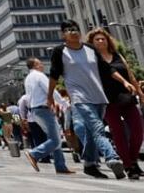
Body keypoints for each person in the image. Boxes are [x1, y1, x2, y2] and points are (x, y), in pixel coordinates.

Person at [47, 19, 125, 179]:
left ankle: (89, 164)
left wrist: (124, 81)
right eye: (68, 29)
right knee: (97, 128)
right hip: (79, 97)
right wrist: (49, 97)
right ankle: (112, 158)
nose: (73, 31)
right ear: (63, 35)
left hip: (98, 96)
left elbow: (106, 68)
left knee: (90, 132)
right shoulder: (59, 51)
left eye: (75, 28)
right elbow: (54, 75)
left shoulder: (90, 49)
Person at [87, 28, 144, 179]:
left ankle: (132, 161)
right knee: (118, 133)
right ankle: (128, 165)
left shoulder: (118, 55)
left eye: (103, 39)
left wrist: (139, 92)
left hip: (126, 98)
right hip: (107, 101)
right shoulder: (92, 60)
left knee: (138, 130)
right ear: (92, 43)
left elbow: (130, 74)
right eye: (97, 39)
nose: (100, 41)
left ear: (108, 41)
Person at [20, 57, 73, 175]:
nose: (42, 65)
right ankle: (34, 154)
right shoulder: (40, 76)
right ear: (34, 65)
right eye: (39, 63)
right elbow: (51, 90)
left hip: (35, 110)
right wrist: (64, 103)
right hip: (43, 109)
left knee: (53, 137)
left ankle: (60, 166)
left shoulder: (28, 78)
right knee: (56, 139)